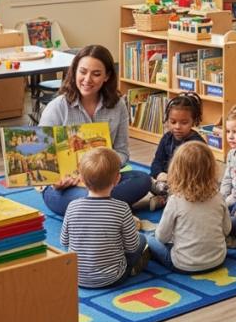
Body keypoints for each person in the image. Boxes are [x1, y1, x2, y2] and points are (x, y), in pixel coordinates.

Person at [40, 45, 152, 216]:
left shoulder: (117, 105)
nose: (87, 79)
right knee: (86, 197)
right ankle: (110, 209)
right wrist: (57, 179)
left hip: (105, 181)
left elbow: (122, 151)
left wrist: (105, 168)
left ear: (107, 76)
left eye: (96, 74)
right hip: (65, 188)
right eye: (82, 72)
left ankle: (98, 210)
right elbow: (41, 158)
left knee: (143, 180)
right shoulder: (57, 108)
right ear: (74, 72)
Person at [60, 147, 149, 289]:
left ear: (81, 179)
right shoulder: (122, 208)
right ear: (117, 179)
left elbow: (64, 242)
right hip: (112, 278)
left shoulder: (72, 206)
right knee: (142, 239)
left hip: (77, 277)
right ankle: (131, 268)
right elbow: (131, 246)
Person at [147, 142, 231, 274]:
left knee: (149, 238)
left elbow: (162, 237)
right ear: (211, 169)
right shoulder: (219, 196)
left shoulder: (175, 200)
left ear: (176, 171)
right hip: (218, 259)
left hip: (184, 264)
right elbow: (226, 230)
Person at [145, 92, 206, 211]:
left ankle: (165, 201)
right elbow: (157, 161)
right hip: (166, 183)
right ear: (167, 120)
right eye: (173, 122)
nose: (177, 127)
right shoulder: (166, 138)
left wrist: (175, 179)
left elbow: (199, 174)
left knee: (193, 191)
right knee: (146, 182)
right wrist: (159, 174)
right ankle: (168, 199)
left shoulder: (197, 144)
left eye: (184, 123)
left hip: (187, 184)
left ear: (193, 121)